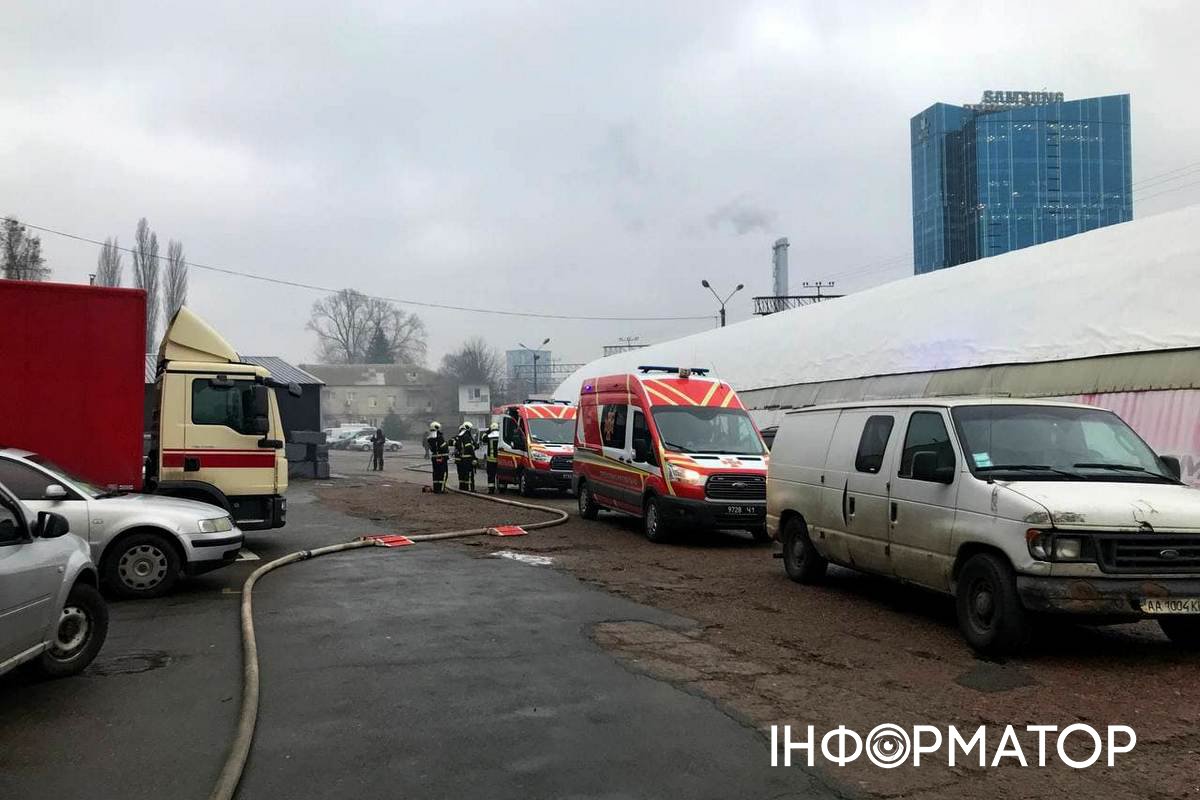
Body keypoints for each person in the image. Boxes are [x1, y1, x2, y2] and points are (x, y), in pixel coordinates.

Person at [454, 421, 477, 491]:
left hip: (461, 459)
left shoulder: (459, 436)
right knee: (469, 474)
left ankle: (462, 487)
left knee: (462, 474)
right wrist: (474, 458)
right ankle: (470, 488)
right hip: (468, 459)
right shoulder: (466, 436)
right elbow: (469, 448)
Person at [427, 422, 449, 493]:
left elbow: (432, 448)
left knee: (436, 473)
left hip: (434, 457)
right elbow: (443, 447)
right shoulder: (439, 437)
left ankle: (436, 489)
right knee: (443, 473)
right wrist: (446, 444)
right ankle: (441, 489)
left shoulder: (430, 438)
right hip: (441, 457)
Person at [484, 421, 501, 494]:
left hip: (491, 460)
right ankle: (502, 488)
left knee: (491, 475)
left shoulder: (488, 436)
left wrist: (487, 432)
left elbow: (483, 439)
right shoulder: (501, 436)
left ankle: (491, 489)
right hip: (500, 459)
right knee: (500, 474)